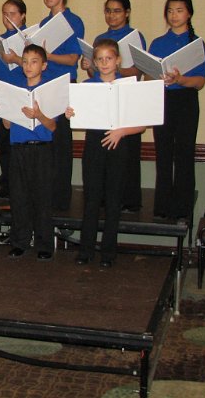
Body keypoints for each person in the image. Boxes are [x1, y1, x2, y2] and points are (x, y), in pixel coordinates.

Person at [65, 39, 146, 268]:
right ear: (94, 62)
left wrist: (121, 131)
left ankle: (108, 253)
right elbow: (79, 116)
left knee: (113, 200)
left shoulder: (128, 86)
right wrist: (71, 113)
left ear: (117, 60)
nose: (104, 63)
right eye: (99, 59)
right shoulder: (87, 85)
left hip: (118, 145)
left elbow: (141, 125)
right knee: (91, 200)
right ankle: (86, 250)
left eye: (108, 58)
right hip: (94, 146)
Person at [82, 0, 147, 214]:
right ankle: (103, 199)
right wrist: (89, 66)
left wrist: (116, 72)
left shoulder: (135, 36)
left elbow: (139, 71)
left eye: (117, 11)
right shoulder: (100, 38)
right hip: (102, 106)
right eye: (108, 11)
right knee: (100, 161)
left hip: (124, 100)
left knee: (126, 157)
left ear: (127, 13)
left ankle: (128, 201)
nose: (112, 15)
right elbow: (95, 75)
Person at [148, 0, 205, 221]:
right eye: (170, 11)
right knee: (163, 154)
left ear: (189, 13)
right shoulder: (158, 43)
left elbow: (200, 81)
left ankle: (183, 208)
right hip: (162, 99)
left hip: (185, 100)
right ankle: (162, 206)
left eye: (179, 10)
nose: (174, 15)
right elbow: (148, 75)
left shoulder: (196, 43)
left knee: (184, 153)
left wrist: (180, 79)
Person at [3, 44, 57, 261]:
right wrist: (6, 112)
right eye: (24, 61)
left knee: (42, 197)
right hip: (18, 148)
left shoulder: (49, 92)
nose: (28, 66)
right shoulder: (15, 89)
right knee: (19, 196)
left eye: (34, 62)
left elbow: (52, 126)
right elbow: (7, 125)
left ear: (43, 65)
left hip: (41, 149)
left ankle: (44, 244)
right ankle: (20, 241)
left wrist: (38, 115)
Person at [40, 0, 84, 210]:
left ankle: (61, 198)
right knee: (46, 141)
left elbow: (72, 59)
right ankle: (46, 195)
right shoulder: (43, 23)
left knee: (62, 142)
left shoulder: (73, 21)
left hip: (65, 85)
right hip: (45, 85)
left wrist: (48, 55)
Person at [0, 0, 29, 199]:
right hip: (1, 95)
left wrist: (15, 58)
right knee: (4, 144)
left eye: (12, 13)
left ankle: (21, 184)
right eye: (5, 13)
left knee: (20, 144)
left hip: (21, 96)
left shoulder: (29, 39)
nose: (7, 18)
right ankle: (6, 182)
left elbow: (36, 67)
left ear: (22, 15)